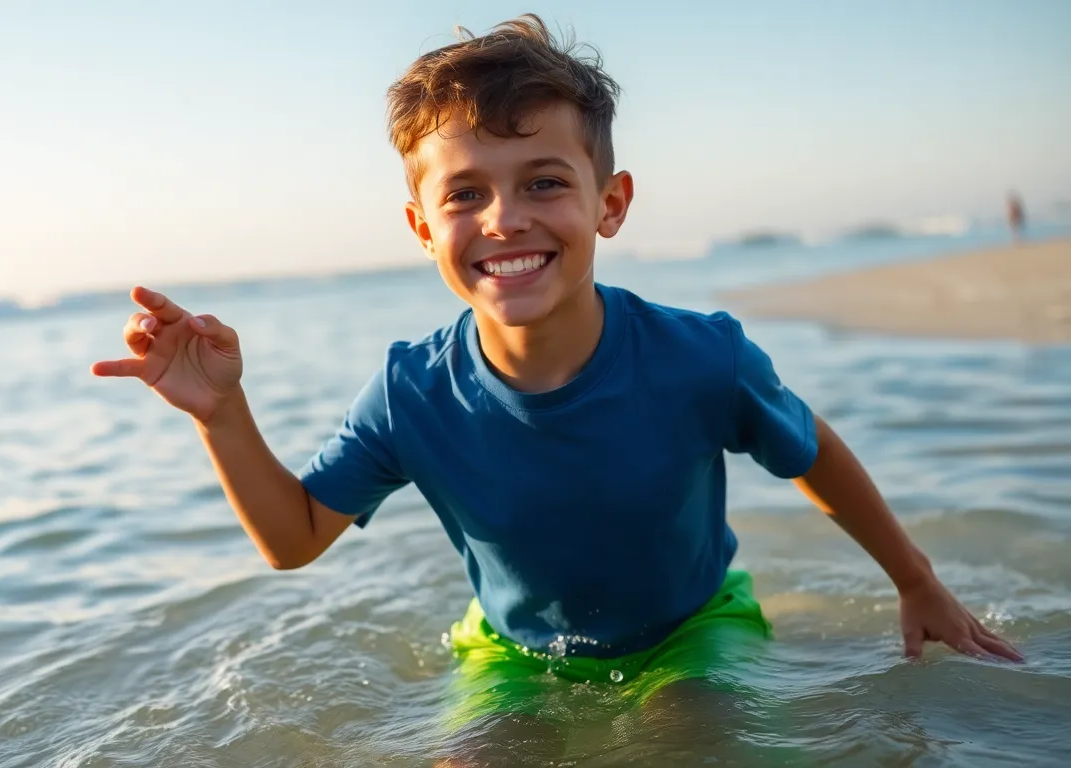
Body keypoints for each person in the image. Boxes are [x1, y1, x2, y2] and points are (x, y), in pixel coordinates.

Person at [92, 14, 1023, 762]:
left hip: (694, 627)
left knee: (691, 737)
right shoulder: (411, 390)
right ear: (422, 226)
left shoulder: (701, 357)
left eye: (544, 182)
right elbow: (293, 540)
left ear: (609, 202)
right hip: (512, 649)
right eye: (465, 195)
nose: (505, 221)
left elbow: (811, 453)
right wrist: (223, 413)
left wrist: (917, 580)